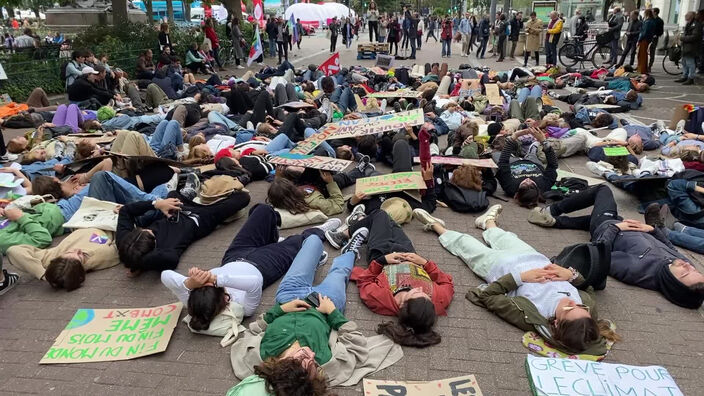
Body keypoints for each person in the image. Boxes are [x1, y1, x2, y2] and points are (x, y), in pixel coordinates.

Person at [420, 205, 618, 355]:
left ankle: (436, 226)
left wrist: (520, 277)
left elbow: (489, 296)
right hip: (531, 256)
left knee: (465, 245)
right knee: (501, 235)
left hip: (498, 266)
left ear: (556, 324)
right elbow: (588, 287)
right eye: (580, 307)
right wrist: (571, 275)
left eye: (568, 309)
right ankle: (488, 222)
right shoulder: (585, 311)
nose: (573, 303)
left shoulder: (532, 316)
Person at [229, 223, 401, 388]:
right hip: (326, 303)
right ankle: (350, 251)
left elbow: (253, 330)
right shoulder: (325, 362)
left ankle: (318, 255)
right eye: (311, 362)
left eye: (303, 356)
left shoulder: (260, 355)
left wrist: (280, 309)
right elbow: (356, 343)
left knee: (313, 241)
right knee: (340, 271)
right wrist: (332, 313)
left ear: (279, 363)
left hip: (289, 295)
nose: (311, 355)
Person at [161, 204, 342, 328]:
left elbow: (166, 275)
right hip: (264, 266)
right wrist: (216, 279)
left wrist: (190, 283)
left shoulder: (192, 299)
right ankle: (322, 230)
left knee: (262, 210)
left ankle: (271, 240)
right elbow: (254, 282)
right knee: (302, 240)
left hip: (235, 256)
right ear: (225, 299)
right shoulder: (242, 308)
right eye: (218, 288)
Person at [528, 185, 704, 309]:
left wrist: (615, 228)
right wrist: (652, 229)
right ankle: (555, 222)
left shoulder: (638, 269)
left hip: (607, 227)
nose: (686, 265)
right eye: (693, 269)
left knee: (602, 191)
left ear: (671, 282)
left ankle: (552, 211)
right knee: (599, 215)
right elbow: (670, 247)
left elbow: (601, 252)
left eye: (685, 272)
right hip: (629, 228)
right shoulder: (683, 265)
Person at [341, 209, 454, 347]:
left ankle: (343, 234)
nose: (419, 288)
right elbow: (446, 282)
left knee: (379, 214)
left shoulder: (381, 300)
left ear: (402, 305)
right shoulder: (438, 301)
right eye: (425, 294)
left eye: (415, 293)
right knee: (390, 222)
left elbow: (365, 280)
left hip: (381, 252)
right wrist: (424, 262)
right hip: (408, 252)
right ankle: (363, 226)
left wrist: (382, 260)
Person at [116, 189, 250, 276]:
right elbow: (170, 260)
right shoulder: (167, 251)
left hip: (175, 208)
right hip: (201, 217)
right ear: (154, 246)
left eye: (145, 229)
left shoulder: (124, 243)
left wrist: (156, 204)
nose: (150, 229)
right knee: (243, 197)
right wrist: (138, 263)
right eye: (151, 233)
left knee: (173, 193)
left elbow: (125, 212)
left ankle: (191, 192)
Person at [6, 227, 120, 291]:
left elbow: (13, 251)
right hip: (106, 222)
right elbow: (122, 243)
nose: (77, 250)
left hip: (81, 220)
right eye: (80, 256)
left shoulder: (51, 258)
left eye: (68, 252)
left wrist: (42, 273)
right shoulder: (101, 256)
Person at [496, 128, 558, 208]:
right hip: (533, 162)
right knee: (532, 154)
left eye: (524, 185)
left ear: (517, 194)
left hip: (513, 162)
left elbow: (503, 162)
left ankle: (521, 147)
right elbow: (553, 165)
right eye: (532, 185)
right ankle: (533, 148)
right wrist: (543, 141)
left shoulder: (510, 187)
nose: (528, 180)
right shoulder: (544, 187)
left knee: (497, 154)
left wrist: (514, 136)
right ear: (538, 191)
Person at [677, 12, 702, 86]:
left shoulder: (696, 25)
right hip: (686, 47)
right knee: (684, 62)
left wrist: (682, 38)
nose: (685, 16)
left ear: (690, 17)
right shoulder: (689, 24)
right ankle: (685, 76)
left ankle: (690, 78)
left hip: (692, 48)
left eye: (686, 15)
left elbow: (695, 37)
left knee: (690, 63)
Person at [637, 9, 656, 74]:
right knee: (644, 54)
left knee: (642, 55)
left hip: (644, 40)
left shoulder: (647, 22)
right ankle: (643, 69)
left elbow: (643, 32)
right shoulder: (652, 21)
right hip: (648, 39)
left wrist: (639, 40)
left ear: (646, 14)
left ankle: (642, 69)